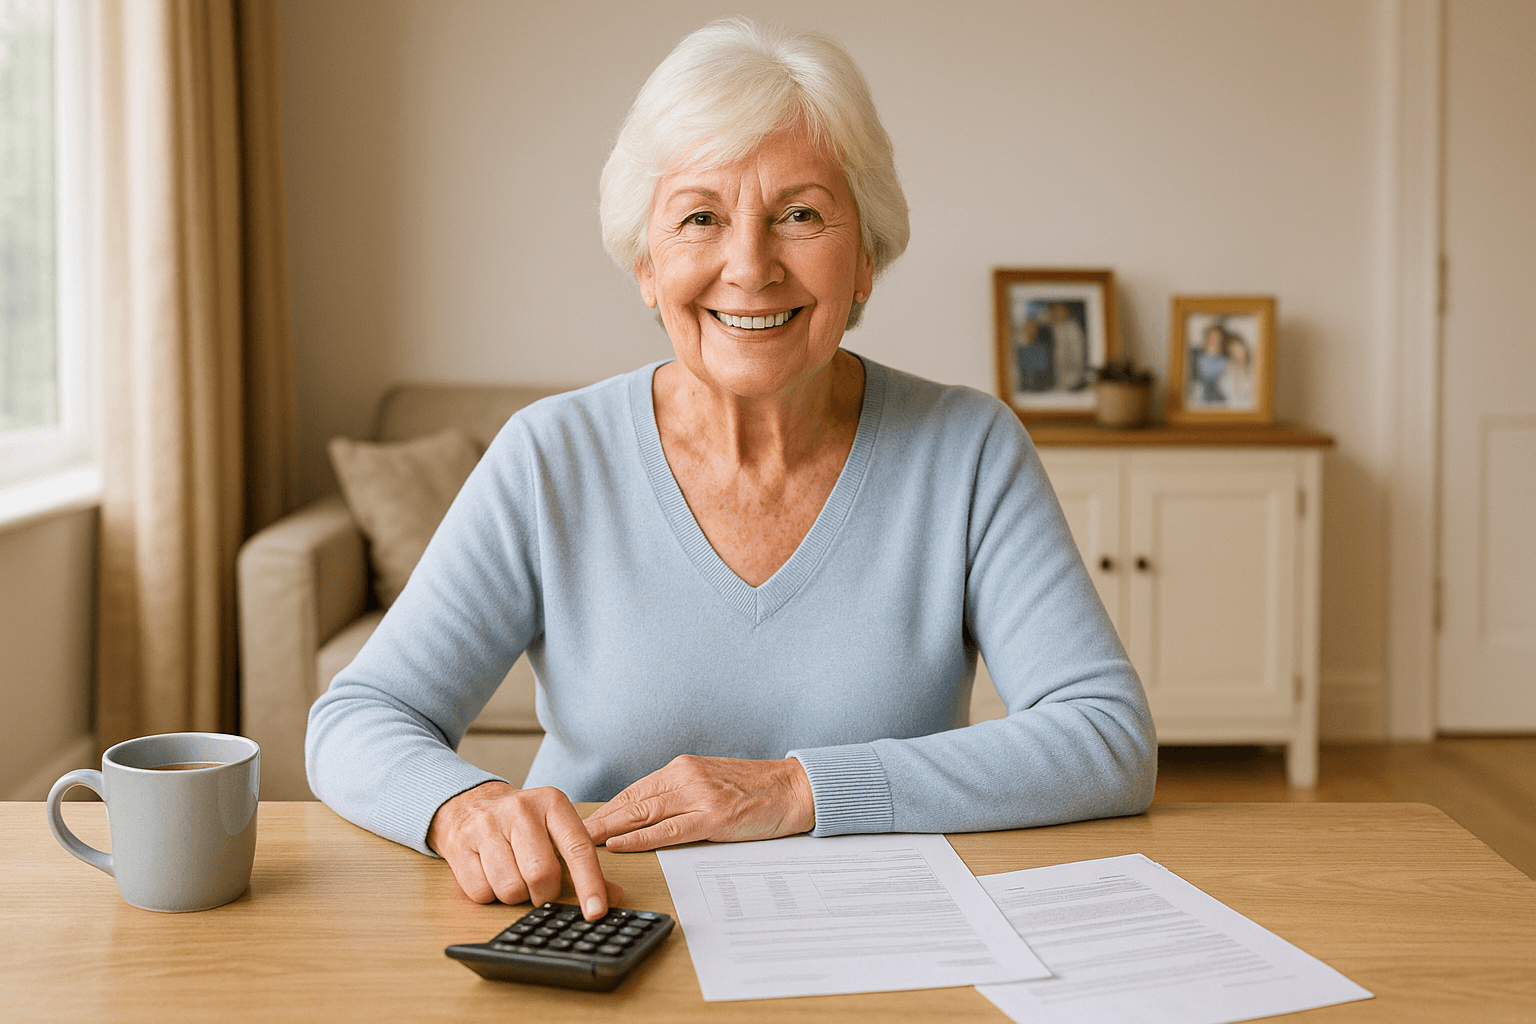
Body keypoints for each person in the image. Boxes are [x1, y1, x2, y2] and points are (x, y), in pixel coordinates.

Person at [306, 18, 1155, 924]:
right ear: (645, 263)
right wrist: (462, 806)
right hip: (600, 926)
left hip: (884, 932)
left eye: (799, 214)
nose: (750, 268)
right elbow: (360, 716)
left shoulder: (969, 449)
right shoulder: (550, 455)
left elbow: (1104, 738)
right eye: (701, 217)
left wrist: (798, 791)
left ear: (864, 257)